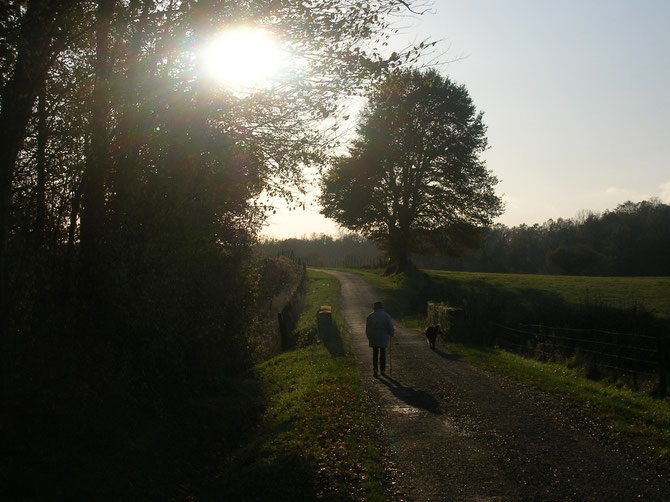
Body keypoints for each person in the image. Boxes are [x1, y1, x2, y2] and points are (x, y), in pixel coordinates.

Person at [366, 301, 394, 377]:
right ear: (382, 307)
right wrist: (391, 333)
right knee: (383, 353)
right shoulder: (386, 316)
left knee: (375, 353)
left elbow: (367, 328)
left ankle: (375, 369)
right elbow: (390, 326)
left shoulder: (370, 316)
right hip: (383, 336)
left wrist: (369, 337)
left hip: (374, 336)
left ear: (374, 307)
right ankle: (383, 370)